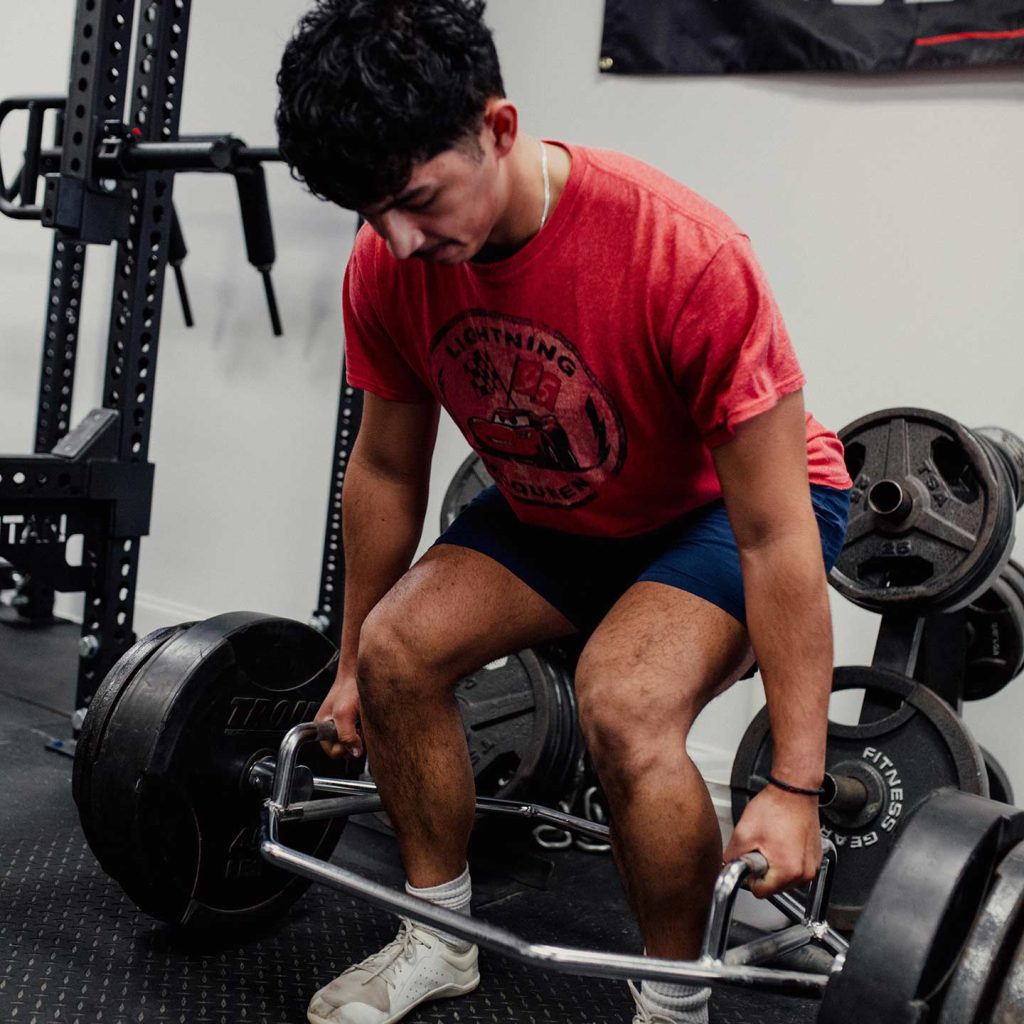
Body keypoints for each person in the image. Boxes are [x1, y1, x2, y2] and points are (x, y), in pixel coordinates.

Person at [276, 2, 852, 1022]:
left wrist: (796, 786)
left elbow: (774, 533)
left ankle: (672, 1002)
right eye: (370, 214)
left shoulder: (681, 252)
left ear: (497, 129)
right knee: (400, 648)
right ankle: (438, 936)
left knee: (623, 704)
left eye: (416, 197)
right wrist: (352, 660)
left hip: (723, 513)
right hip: (564, 507)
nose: (399, 240)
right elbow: (386, 469)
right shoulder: (391, 266)